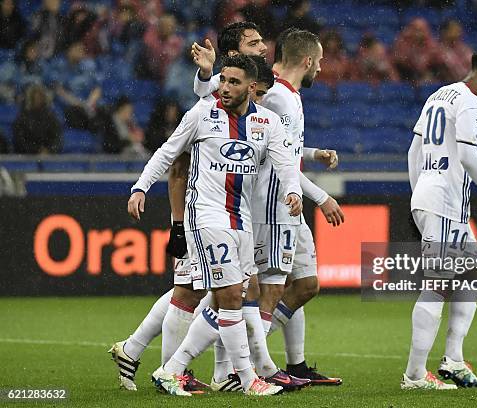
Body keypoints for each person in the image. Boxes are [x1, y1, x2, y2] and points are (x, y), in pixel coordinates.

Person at [107, 24, 280, 393]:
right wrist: (177, 223)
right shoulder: (209, 106)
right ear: (233, 54)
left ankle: (154, 355)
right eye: (253, 44)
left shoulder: (255, 106)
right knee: (194, 291)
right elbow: (177, 166)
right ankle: (180, 371)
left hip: (236, 215)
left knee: (218, 292)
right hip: (201, 215)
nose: (263, 48)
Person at [193, 25, 345, 386]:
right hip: (270, 203)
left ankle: (288, 364)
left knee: (304, 284)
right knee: (251, 289)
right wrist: (321, 196)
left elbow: (283, 147)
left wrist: (312, 153)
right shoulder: (271, 92)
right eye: (319, 62)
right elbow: (272, 153)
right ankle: (237, 367)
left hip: (288, 201)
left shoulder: (285, 95)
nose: (321, 69)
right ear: (308, 60)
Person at [404, 49, 477, 390]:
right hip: (443, 202)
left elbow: (414, 151)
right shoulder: (471, 102)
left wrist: (415, 196)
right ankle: (413, 374)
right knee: (438, 284)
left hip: (434, 198)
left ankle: (453, 358)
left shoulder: (439, 95)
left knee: (472, 273)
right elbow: (468, 155)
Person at [13, 84, 62, 154]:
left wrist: (49, 150)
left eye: (40, 97)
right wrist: (37, 150)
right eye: (36, 98)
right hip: (27, 156)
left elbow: (57, 139)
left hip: (48, 156)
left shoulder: (51, 117)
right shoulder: (22, 117)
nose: (38, 100)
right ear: (31, 99)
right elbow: (19, 141)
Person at [391, 18, 442, 84]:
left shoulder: (430, 43)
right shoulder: (402, 41)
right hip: (405, 77)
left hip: (426, 77)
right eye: (416, 30)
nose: (419, 33)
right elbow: (400, 61)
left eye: (422, 30)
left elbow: (438, 60)